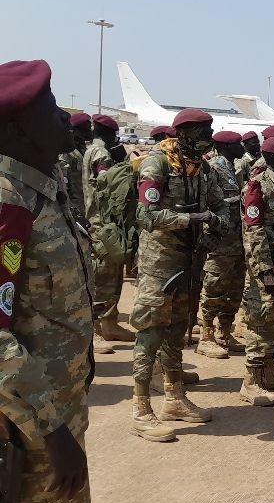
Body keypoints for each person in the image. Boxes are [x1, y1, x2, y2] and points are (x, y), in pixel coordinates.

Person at [0, 59, 93, 503]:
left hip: (58, 420)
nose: (63, 117)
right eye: (49, 107)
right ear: (17, 128)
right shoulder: (7, 203)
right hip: (26, 435)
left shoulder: (41, 191)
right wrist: (52, 432)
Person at [129, 109, 227, 441]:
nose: (208, 139)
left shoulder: (203, 168)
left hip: (189, 258)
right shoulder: (157, 163)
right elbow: (147, 215)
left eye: (210, 132)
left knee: (177, 329)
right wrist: (191, 219)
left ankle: (174, 398)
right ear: (183, 134)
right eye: (202, 133)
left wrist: (215, 228)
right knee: (151, 330)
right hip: (160, 261)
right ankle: (141, 409)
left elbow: (221, 204)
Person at [238, 136, 274, 405]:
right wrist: (264, 270)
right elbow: (254, 231)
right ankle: (251, 380)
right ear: (272, 159)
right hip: (267, 266)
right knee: (262, 318)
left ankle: (269, 372)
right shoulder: (257, 186)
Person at [83, 113, 135, 346]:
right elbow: (108, 184)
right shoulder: (102, 154)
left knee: (112, 272)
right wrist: (124, 165)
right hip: (102, 222)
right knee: (104, 274)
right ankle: (97, 328)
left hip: (102, 221)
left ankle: (109, 323)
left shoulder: (91, 150)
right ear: (109, 134)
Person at [196, 130, 246, 359]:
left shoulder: (233, 167)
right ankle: (206, 336)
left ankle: (225, 332)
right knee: (214, 285)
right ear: (226, 147)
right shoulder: (214, 167)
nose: (242, 147)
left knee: (234, 286)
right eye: (237, 144)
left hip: (236, 239)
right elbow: (209, 201)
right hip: (220, 238)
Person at [60, 112, 90, 225]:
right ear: (76, 131)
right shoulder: (67, 152)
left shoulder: (84, 149)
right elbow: (64, 181)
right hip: (74, 204)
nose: (89, 132)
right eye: (85, 130)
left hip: (85, 202)